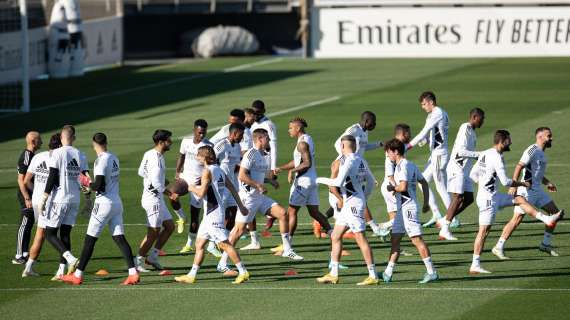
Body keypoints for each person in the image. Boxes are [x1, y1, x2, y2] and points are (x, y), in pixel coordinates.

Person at [468, 130, 563, 274]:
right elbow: (506, 182)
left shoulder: (486, 153)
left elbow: (472, 174)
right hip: (488, 199)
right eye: (509, 140)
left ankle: (546, 219)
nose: (511, 142)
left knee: (520, 200)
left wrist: (484, 184)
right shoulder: (498, 158)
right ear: (503, 141)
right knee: (484, 232)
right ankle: (475, 264)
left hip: (492, 196)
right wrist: (522, 185)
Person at [216, 128, 303, 277]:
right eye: (267, 138)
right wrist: (258, 185)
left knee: (282, 213)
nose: (269, 141)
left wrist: (269, 181)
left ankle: (287, 250)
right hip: (248, 198)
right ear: (260, 139)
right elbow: (242, 176)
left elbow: (257, 175)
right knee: (238, 231)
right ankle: (222, 263)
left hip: (259, 197)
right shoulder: (251, 154)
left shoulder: (263, 155)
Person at [61, 133, 139, 285]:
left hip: (103, 204)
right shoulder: (114, 157)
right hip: (117, 203)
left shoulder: (101, 161)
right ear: (106, 142)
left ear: (93, 144)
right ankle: (133, 273)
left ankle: (77, 275)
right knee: (119, 238)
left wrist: (85, 182)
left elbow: (99, 186)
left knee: (89, 240)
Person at [175, 146, 250, 284]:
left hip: (213, 214)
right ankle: (192, 275)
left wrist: (190, 187)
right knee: (199, 244)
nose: (196, 157)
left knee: (225, 245)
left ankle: (243, 271)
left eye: (198, 155)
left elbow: (201, 193)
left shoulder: (207, 171)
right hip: (210, 214)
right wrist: (241, 206)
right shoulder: (219, 169)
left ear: (203, 157)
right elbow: (232, 187)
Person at [492, 127, 565, 259]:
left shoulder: (542, 153)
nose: (551, 138)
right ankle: (498, 246)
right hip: (526, 191)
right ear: (540, 137)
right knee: (516, 220)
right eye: (549, 136)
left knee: (555, 213)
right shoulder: (532, 150)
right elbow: (519, 166)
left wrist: (547, 183)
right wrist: (514, 184)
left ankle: (545, 244)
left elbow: (537, 174)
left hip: (538, 190)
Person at [316, 135, 378, 285]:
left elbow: (337, 182)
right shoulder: (361, 160)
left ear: (343, 146)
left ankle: (373, 275)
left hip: (353, 205)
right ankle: (334, 274)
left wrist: (319, 180)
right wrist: (364, 197)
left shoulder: (348, 161)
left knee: (360, 238)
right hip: (351, 204)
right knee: (335, 236)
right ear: (355, 146)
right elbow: (371, 182)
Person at [271, 117, 332, 254]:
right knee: (314, 212)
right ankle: (333, 234)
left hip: (303, 181)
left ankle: (287, 245)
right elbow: (297, 160)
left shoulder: (302, 143)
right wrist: (282, 168)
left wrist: (292, 171)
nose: (289, 130)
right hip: (311, 180)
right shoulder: (306, 139)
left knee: (291, 212)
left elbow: (306, 163)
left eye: (291, 128)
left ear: (298, 128)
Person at [381, 139, 438, 284]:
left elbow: (403, 186)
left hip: (408, 208)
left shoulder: (403, 166)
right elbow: (423, 182)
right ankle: (388, 272)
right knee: (395, 238)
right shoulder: (410, 164)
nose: (388, 156)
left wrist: (392, 188)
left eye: (389, 153)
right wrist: (426, 203)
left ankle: (432, 272)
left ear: (395, 152)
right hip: (402, 208)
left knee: (416, 239)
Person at [39, 125, 89, 280]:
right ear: (73, 137)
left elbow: (52, 175)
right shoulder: (81, 154)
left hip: (59, 199)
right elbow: (86, 178)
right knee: (65, 234)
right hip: (74, 199)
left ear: (61, 138)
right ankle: (61, 271)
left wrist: (44, 196)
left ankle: (71, 259)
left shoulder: (57, 153)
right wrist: (88, 197)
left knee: (49, 233)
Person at [332, 111, 384, 236]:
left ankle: (326, 219)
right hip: (350, 168)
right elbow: (337, 143)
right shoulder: (353, 130)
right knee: (357, 196)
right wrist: (345, 157)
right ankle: (374, 227)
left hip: (358, 167)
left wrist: (379, 144)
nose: (375, 124)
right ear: (366, 121)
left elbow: (364, 147)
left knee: (351, 197)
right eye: (373, 122)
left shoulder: (365, 132)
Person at [407, 91, 454, 228]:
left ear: (431, 102)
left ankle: (453, 217)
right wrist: (427, 140)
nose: (423, 107)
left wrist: (408, 146)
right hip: (435, 154)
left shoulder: (438, 113)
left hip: (439, 155)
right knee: (421, 181)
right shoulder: (435, 114)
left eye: (424, 104)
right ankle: (437, 214)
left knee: (441, 186)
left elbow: (424, 131)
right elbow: (436, 133)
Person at [173, 119, 219, 257]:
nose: (201, 135)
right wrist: (177, 171)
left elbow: (212, 163)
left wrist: (206, 176)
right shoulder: (185, 142)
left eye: (204, 133)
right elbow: (181, 156)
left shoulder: (209, 145)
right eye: (199, 132)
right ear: (194, 130)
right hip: (185, 178)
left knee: (195, 215)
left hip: (198, 183)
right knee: (172, 194)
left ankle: (189, 244)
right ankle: (181, 217)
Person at [438, 108, 485, 240]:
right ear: (475, 117)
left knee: (469, 198)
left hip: (465, 171)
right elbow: (460, 152)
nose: (483, 121)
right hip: (456, 169)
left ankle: (444, 220)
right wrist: (479, 155)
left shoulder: (473, 133)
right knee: (458, 197)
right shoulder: (465, 128)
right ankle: (445, 229)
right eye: (482, 118)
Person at [135, 129, 175, 272]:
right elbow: (157, 185)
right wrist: (170, 193)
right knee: (153, 232)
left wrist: (157, 179)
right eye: (168, 140)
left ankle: (153, 256)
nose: (171, 142)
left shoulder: (149, 153)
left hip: (154, 198)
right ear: (161, 142)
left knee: (170, 226)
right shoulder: (157, 161)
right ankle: (138, 261)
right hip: (153, 201)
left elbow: (141, 172)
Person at [21, 133, 61, 277]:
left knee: (42, 233)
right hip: (51, 200)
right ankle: (66, 262)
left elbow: (26, 181)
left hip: (38, 200)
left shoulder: (38, 157)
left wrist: (36, 191)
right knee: (54, 233)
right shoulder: (58, 158)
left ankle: (29, 268)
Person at [13, 131, 42, 264]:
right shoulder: (26, 156)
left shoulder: (31, 155)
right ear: (33, 141)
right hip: (26, 195)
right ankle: (19, 256)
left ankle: (25, 253)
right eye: (39, 139)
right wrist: (27, 198)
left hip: (31, 194)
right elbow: (21, 180)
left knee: (29, 223)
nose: (41, 142)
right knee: (24, 224)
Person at [378, 124, 412, 237]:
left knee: (396, 222)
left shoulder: (399, 147)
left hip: (389, 187)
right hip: (391, 187)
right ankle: (383, 227)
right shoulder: (392, 150)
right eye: (409, 133)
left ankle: (391, 239)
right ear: (403, 134)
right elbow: (390, 173)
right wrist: (395, 187)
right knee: (401, 218)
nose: (410, 135)